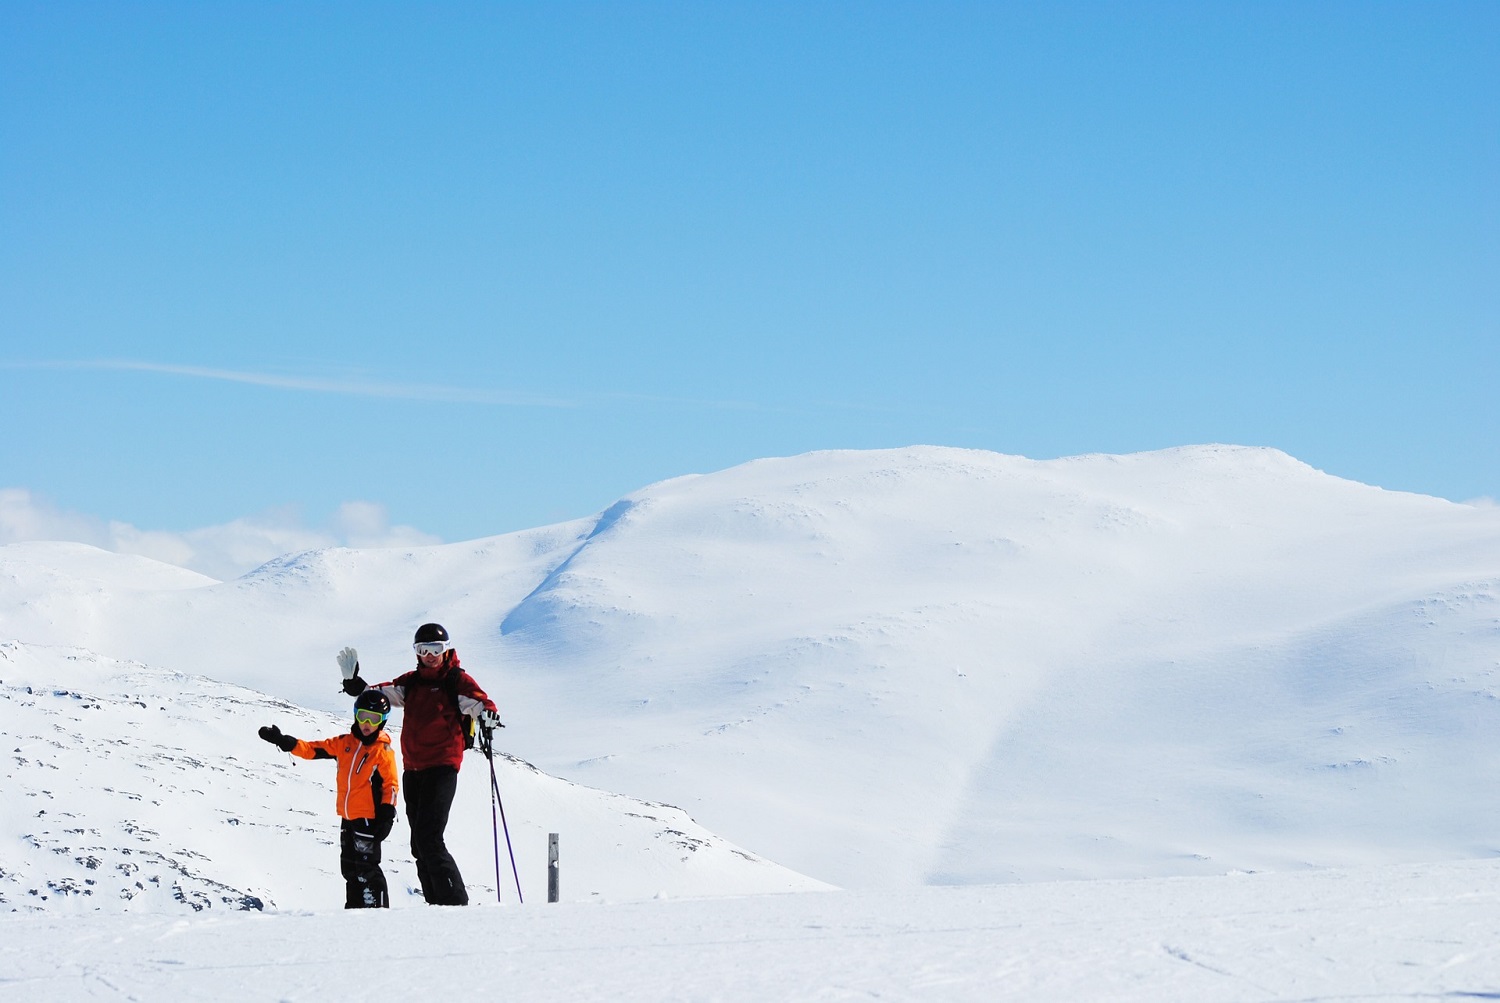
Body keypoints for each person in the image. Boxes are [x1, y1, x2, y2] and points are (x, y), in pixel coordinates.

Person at [338, 623, 502, 906]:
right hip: (413, 769)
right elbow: (381, 696)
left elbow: (482, 704)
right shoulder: (412, 682)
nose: (429, 655)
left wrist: (488, 716)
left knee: (429, 838)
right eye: (423, 649)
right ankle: (435, 904)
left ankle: (454, 903)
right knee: (418, 843)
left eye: (436, 649)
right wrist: (356, 685)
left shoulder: (456, 681)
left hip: (443, 766)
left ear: (446, 649)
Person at [258, 689, 399, 909]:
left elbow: (390, 785)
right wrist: (286, 742)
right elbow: (314, 749)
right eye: (363, 716)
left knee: (367, 868)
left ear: (382, 721)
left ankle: (377, 911)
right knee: (349, 868)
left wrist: (387, 813)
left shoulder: (382, 751)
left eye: (374, 719)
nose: (367, 724)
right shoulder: (345, 743)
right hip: (348, 817)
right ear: (356, 715)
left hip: (369, 819)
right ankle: (354, 909)